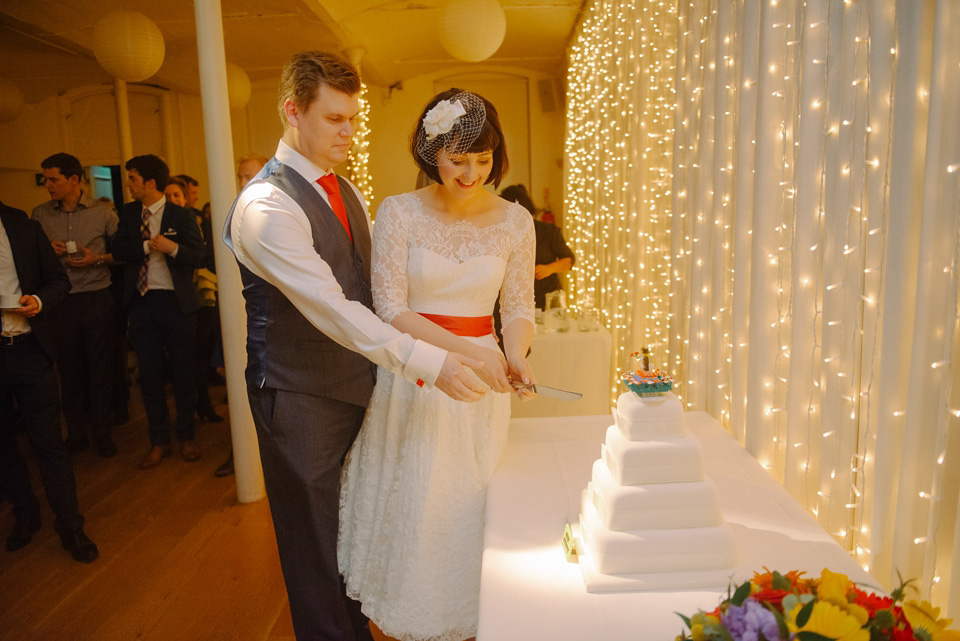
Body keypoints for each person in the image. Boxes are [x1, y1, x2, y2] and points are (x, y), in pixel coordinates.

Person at [223, 51, 488, 641]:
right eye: (336, 119)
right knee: (314, 550)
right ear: (293, 111)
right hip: (298, 397)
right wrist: (431, 365)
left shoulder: (343, 187)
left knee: (352, 533)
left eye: (353, 118)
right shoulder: (265, 207)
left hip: (358, 385)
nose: (350, 132)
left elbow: (370, 290)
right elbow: (335, 310)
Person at [338, 89, 536, 641]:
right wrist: (471, 352)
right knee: (420, 493)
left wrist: (514, 355)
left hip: (484, 382)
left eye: (482, 160)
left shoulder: (517, 221)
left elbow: (519, 305)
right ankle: (411, 611)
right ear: (431, 153)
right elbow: (391, 309)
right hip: (416, 373)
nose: (470, 173)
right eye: (456, 160)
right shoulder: (398, 211)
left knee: (472, 496)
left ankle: (481, 610)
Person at [0, 200, 99, 562]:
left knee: (48, 442)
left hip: (28, 349)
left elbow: (58, 281)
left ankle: (71, 525)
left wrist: (39, 301)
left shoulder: (24, 230)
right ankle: (25, 514)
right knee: (3, 444)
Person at [112, 155, 207, 469]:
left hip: (176, 304)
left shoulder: (180, 216)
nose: (129, 184)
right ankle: (158, 441)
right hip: (141, 303)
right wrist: (146, 247)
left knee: (183, 373)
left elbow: (199, 256)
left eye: (133, 178)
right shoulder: (128, 214)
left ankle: (187, 436)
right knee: (149, 377)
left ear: (150, 183)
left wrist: (173, 249)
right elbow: (119, 251)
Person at [32, 153, 120, 458]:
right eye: (45, 179)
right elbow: (31, 258)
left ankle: (103, 433)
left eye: (53, 179)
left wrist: (95, 258)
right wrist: (47, 250)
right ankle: (77, 433)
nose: (48, 185)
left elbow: (122, 253)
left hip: (96, 297)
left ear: (74, 179)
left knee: (99, 368)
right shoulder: (40, 214)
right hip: (61, 302)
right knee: (69, 371)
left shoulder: (103, 212)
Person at [214, 153, 270, 480]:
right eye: (241, 176)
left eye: (252, 174)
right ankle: (239, 455)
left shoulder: (281, 212)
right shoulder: (234, 213)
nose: (244, 181)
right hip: (238, 316)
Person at [500, 183, 575, 309]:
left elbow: (569, 260)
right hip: (512, 299)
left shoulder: (548, 231)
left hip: (547, 298)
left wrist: (549, 268)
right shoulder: (500, 233)